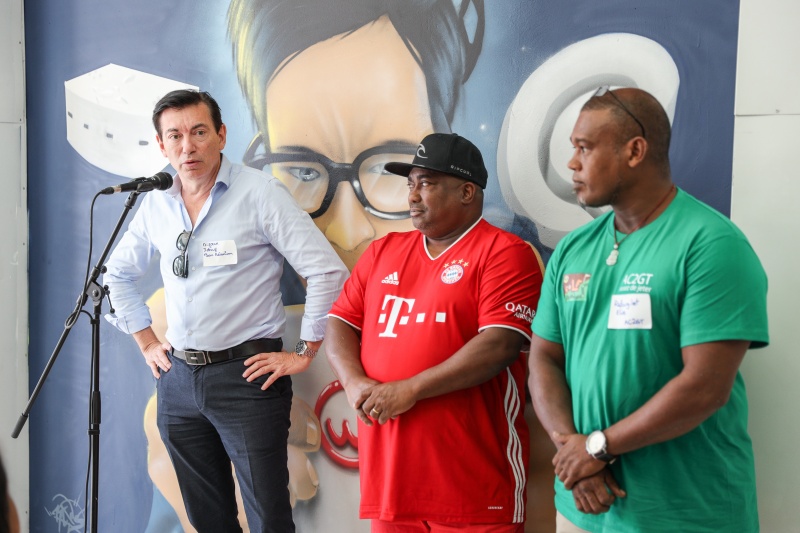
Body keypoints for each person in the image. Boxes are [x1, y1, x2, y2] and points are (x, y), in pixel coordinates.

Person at [103, 89, 348, 533]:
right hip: (178, 380)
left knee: (269, 518)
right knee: (208, 521)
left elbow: (327, 272)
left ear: (221, 134)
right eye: (174, 136)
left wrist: (304, 351)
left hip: (247, 378)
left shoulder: (260, 193)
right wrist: (146, 341)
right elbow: (115, 274)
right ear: (161, 145)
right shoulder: (157, 202)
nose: (187, 147)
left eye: (199, 132)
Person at [528, 87, 769, 532]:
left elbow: (704, 387)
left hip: (686, 514)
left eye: (584, 147)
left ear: (635, 151)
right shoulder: (572, 250)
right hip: (584, 509)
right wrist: (573, 450)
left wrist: (597, 448)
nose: (572, 163)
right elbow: (543, 358)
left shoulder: (711, 244)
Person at [325, 132, 543, 532]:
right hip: (391, 482)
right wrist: (353, 382)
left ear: (466, 192)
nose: (412, 195)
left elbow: (500, 345)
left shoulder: (505, 253)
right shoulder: (383, 251)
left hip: (471, 485)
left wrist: (411, 389)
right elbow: (340, 322)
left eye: (426, 183)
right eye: (410, 184)